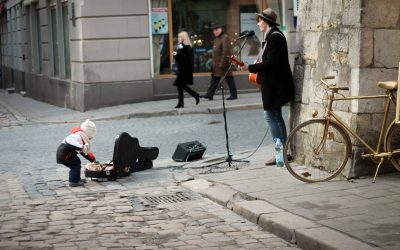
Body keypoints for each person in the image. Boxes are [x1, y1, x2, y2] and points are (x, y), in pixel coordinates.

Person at [240, 8, 295, 166]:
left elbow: (271, 63)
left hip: (276, 85)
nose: (258, 23)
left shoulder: (275, 37)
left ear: (267, 21)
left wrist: (250, 67)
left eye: (260, 20)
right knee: (275, 117)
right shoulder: (271, 36)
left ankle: (281, 154)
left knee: (271, 117)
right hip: (274, 84)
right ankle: (283, 154)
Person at [202, 22, 238, 101]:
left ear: (221, 29)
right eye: (214, 30)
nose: (215, 31)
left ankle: (234, 94)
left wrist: (222, 63)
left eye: (217, 29)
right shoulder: (217, 39)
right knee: (215, 79)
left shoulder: (225, 37)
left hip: (223, 63)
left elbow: (226, 52)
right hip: (217, 64)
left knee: (229, 78)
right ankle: (209, 94)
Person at [56, 119, 97, 187]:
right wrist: (81, 147)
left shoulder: (81, 137)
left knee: (77, 162)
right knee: (75, 165)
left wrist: (93, 159)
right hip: (64, 155)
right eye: (90, 137)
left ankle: (77, 178)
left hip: (67, 155)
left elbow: (84, 152)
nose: (90, 139)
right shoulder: (76, 136)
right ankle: (73, 181)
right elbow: (69, 141)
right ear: (87, 134)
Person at [173, 31, 200, 108]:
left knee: (180, 85)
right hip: (180, 69)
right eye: (178, 37)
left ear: (184, 38)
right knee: (180, 86)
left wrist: (177, 54)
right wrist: (176, 55)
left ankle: (184, 101)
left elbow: (187, 60)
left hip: (185, 70)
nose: (179, 38)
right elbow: (179, 59)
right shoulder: (180, 46)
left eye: (180, 37)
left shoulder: (188, 48)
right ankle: (182, 102)